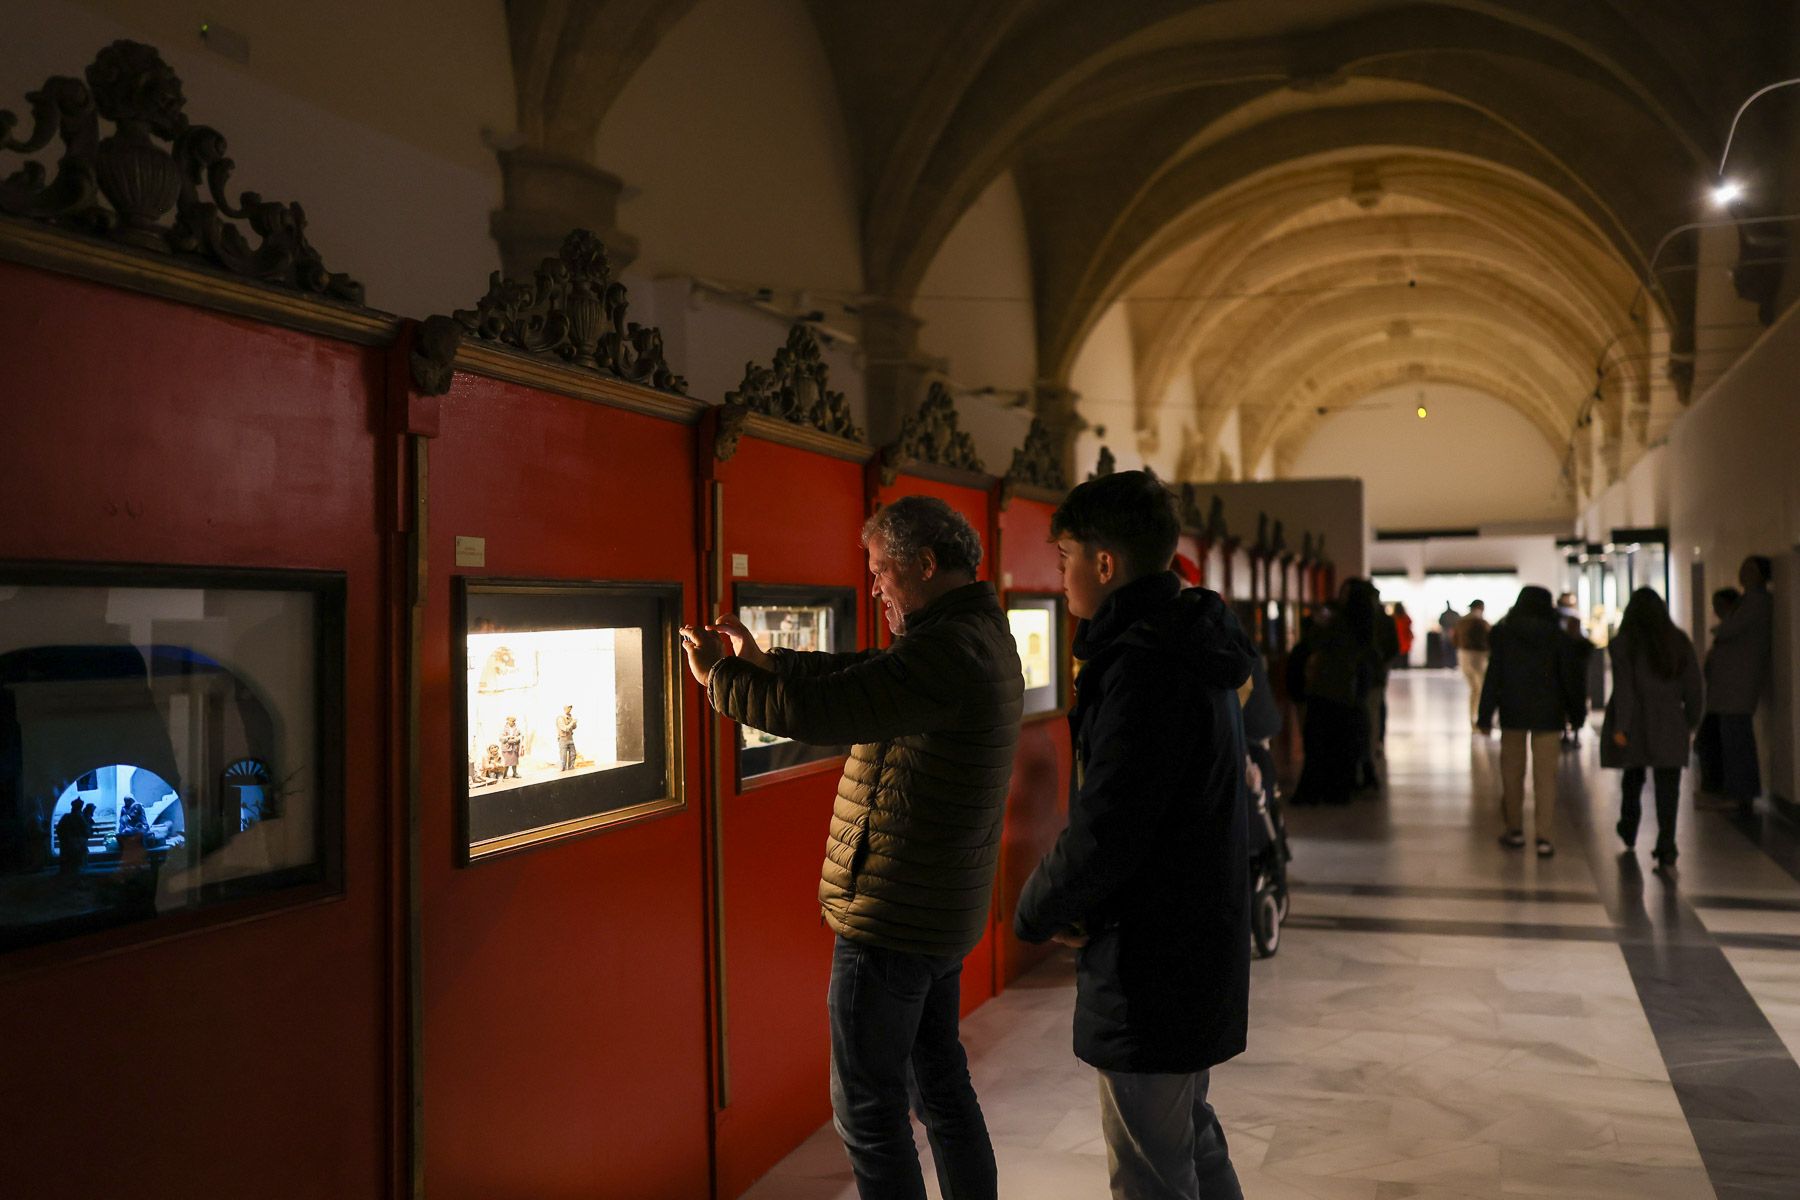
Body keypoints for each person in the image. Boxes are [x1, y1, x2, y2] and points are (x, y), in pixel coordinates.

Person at [680, 494, 1021, 1200]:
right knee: (941, 1088)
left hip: (894, 914)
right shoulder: (971, 633)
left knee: (868, 1112)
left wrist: (722, 678)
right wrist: (768, 661)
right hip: (932, 908)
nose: (874, 587)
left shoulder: (949, 649)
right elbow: (865, 676)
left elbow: (831, 710)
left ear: (924, 564)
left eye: (880, 571)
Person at [1013, 470, 1256, 1200]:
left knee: (1150, 1171)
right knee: (1185, 1132)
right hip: (1184, 939)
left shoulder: (1144, 665)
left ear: (1105, 563)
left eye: (1064, 560)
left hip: (1154, 953)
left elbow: (1111, 821)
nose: (1059, 580)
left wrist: (1038, 907)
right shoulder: (1182, 642)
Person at [1477, 586, 1588, 857]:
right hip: (1548, 714)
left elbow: (1494, 676)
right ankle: (1544, 837)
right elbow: (1569, 679)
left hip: (1513, 712)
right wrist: (1576, 714)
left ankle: (1515, 829)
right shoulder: (1557, 637)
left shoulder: (1504, 634)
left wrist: (1484, 714)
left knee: (1512, 772)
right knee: (1546, 776)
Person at [1602, 588, 1703, 869]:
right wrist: (1691, 720)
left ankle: (1629, 825)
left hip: (1636, 720)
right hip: (1671, 720)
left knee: (1633, 776)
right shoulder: (1678, 641)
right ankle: (1666, 843)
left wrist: (1621, 727)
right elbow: (1694, 686)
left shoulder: (1624, 644)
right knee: (1668, 786)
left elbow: (1624, 689)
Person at [1700, 556, 1773, 816]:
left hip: (1738, 687)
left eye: (1748, 569)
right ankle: (1737, 791)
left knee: (1737, 743)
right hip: (1734, 687)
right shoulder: (1749, 602)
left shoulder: (1756, 602)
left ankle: (1740, 793)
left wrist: (1721, 629)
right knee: (1733, 741)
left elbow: (1729, 630)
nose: (1742, 573)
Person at [1287, 603, 1371, 807]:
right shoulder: (1350, 640)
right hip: (1341, 701)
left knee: (1318, 747)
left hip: (1323, 699)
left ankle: (1316, 792)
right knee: (1338, 747)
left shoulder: (1322, 639)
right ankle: (1336, 791)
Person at [1693, 587, 1740, 794]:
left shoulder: (1731, 632)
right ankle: (1715, 788)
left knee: (1710, 742)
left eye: (1719, 606)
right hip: (1719, 696)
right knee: (1709, 742)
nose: (1716, 610)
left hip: (1727, 697)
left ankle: (1717, 789)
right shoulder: (1725, 633)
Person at [1454, 600, 1491, 728]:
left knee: (1473, 689)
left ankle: (1472, 716)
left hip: (1463, 655)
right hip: (1478, 657)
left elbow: (1455, 640)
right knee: (1480, 688)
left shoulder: (1461, 622)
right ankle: (1479, 717)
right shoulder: (1481, 622)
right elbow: (1489, 639)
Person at [55, 801, 91, 875]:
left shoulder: (66, 817)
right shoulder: (79, 817)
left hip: (67, 844)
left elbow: (59, 829)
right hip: (75, 844)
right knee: (76, 867)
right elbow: (85, 831)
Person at [1392, 602, 1414, 668]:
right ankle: (1404, 667)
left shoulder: (1394, 617)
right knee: (1404, 656)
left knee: (1397, 655)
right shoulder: (1405, 617)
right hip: (1405, 638)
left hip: (1397, 638)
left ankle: (1396, 667)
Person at [555, 705, 577, 771]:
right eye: (569, 708)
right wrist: (572, 722)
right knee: (563, 759)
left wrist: (574, 723)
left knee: (573, 754)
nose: (570, 709)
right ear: (565, 708)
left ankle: (571, 769)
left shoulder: (570, 716)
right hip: (563, 739)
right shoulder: (560, 718)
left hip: (570, 738)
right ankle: (563, 773)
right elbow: (565, 728)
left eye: (571, 708)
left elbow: (573, 727)